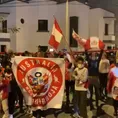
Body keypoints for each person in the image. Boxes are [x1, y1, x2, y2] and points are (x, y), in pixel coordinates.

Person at [107, 51, 118, 116]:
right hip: (116, 87)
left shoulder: (112, 69)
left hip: (115, 87)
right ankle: (115, 111)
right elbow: (110, 79)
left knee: (115, 100)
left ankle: (115, 111)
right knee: (115, 100)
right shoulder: (113, 69)